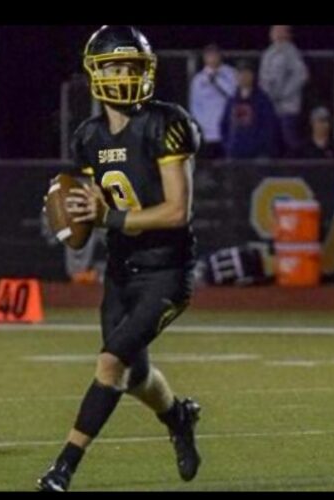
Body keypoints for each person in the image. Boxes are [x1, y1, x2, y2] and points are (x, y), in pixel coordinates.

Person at [38, 25, 202, 492]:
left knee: (111, 363)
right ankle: (178, 415)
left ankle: (63, 468)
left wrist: (106, 217)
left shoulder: (166, 123)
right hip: (120, 270)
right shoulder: (88, 137)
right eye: (115, 66)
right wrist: (74, 215)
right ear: (96, 73)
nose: (125, 74)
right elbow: (92, 204)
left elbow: (177, 211)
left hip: (166, 271)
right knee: (135, 375)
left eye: (132, 65)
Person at [259, 25, 309, 155]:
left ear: (287, 34)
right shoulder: (268, 53)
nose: (278, 34)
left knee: (289, 138)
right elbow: (263, 77)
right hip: (271, 105)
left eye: (281, 31)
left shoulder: (292, 52)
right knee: (272, 139)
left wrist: (283, 93)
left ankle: (296, 163)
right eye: (275, 31)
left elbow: (301, 75)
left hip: (288, 106)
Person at [221, 60, 279, 159]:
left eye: (246, 73)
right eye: (240, 74)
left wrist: (261, 146)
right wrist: (229, 145)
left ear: (252, 76)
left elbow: (269, 126)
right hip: (235, 153)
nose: (243, 77)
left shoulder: (262, 100)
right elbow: (224, 124)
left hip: (258, 155)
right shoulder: (232, 100)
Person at [189, 44, 237, 159]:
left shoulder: (231, 74)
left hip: (228, 126)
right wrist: (201, 124)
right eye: (209, 55)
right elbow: (195, 104)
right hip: (208, 130)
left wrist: (217, 81)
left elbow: (234, 94)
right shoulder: (198, 79)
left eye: (214, 55)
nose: (212, 58)